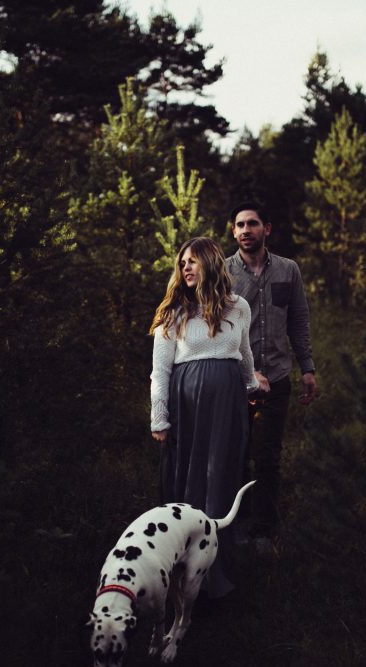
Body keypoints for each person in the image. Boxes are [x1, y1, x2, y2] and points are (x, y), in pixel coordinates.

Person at [149, 236, 269, 598]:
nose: (185, 267)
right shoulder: (173, 311)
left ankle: (215, 576)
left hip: (229, 406)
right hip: (188, 409)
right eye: (182, 262)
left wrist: (252, 384)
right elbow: (161, 371)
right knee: (188, 480)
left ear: (211, 264)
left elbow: (244, 353)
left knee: (221, 478)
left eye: (193, 261)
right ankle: (179, 573)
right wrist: (160, 418)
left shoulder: (239, 307)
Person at [226, 202, 317, 546]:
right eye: (240, 225)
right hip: (235, 382)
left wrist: (307, 366)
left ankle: (263, 529)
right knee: (236, 455)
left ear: (267, 229)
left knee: (268, 457)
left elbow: (299, 319)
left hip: (278, 379)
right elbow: (215, 329)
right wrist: (248, 370)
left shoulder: (288, 270)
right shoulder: (223, 272)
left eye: (253, 224)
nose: (246, 230)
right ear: (233, 231)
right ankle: (237, 524)